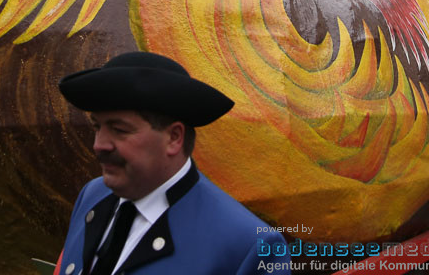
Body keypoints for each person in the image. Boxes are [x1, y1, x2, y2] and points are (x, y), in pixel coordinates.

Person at [55, 51, 290, 274]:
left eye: (119, 130)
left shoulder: (248, 246)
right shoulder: (92, 196)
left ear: (174, 138)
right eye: (97, 127)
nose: (100, 145)